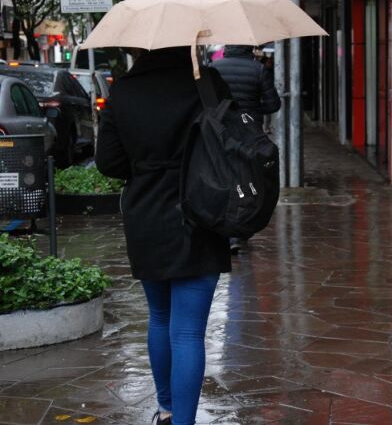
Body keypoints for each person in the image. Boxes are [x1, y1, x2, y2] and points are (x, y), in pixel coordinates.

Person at [96, 47, 232, 425]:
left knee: (159, 316)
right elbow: (232, 141)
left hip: (148, 215)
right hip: (203, 210)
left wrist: (145, 167)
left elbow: (108, 161)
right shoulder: (208, 82)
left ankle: (167, 410)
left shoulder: (124, 90)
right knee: (188, 331)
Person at [211, 45, 281, 253]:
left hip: (222, 132)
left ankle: (225, 227)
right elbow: (273, 105)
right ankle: (240, 229)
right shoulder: (258, 70)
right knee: (248, 179)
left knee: (225, 178)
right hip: (250, 132)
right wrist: (251, 109)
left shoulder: (214, 68)